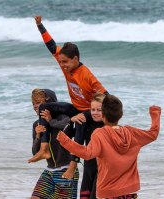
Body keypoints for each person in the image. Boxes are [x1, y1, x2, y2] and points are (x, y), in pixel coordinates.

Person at [29, 15, 108, 163]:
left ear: (76, 59)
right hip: (74, 107)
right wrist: (40, 25)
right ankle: (44, 149)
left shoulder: (87, 76)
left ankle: (73, 163)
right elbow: (51, 45)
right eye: (61, 62)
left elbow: (107, 97)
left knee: (80, 121)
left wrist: (111, 121)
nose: (63, 65)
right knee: (44, 107)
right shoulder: (64, 61)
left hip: (86, 110)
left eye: (65, 62)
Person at [57, 94, 162, 198]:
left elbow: (87, 153)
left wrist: (65, 140)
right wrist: (155, 113)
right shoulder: (131, 132)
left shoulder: (100, 134)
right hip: (130, 192)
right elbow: (153, 134)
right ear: (120, 115)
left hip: (108, 192)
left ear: (103, 116)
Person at [30, 88, 79, 199]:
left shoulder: (63, 117)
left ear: (50, 104)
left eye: (38, 103)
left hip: (66, 168)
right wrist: (38, 136)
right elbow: (35, 153)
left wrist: (50, 121)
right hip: (49, 170)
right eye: (33, 103)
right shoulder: (36, 125)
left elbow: (68, 127)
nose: (35, 106)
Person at [72, 93, 105, 199]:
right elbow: (74, 140)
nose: (95, 113)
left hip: (103, 170)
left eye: (99, 110)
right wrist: (71, 120)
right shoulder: (86, 122)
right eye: (93, 109)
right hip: (88, 168)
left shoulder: (109, 126)